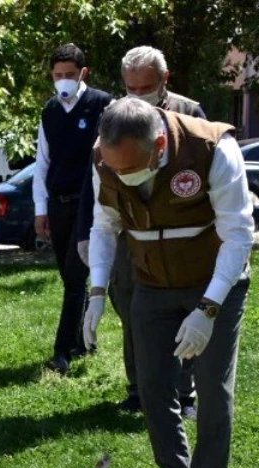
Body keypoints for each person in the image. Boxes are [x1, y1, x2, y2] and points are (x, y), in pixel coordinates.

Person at [83, 97, 253, 468]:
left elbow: (238, 234)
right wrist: (98, 290)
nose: (124, 177)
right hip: (151, 283)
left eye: (133, 168)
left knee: (213, 389)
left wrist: (208, 309)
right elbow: (104, 227)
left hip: (216, 279)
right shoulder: (104, 158)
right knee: (153, 386)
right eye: (116, 168)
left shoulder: (213, 148)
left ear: (160, 144)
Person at [77, 46, 206, 415]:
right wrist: (96, 277)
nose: (138, 96)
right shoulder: (114, 118)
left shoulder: (191, 113)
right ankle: (140, 391)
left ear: (165, 80)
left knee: (186, 312)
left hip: (182, 233)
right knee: (134, 309)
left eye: (146, 87)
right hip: (130, 235)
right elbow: (100, 187)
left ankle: (185, 392)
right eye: (130, 88)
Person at [32, 43, 113, 375]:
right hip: (58, 204)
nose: (63, 80)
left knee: (75, 278)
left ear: (84, 73)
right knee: (69, 277)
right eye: (57, 75)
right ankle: (83, 340)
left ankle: (62, 351)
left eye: (69, 74)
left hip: (90, 205)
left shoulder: (103, 105)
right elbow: (42, 163)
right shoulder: (50, 111)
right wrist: (41, 209)